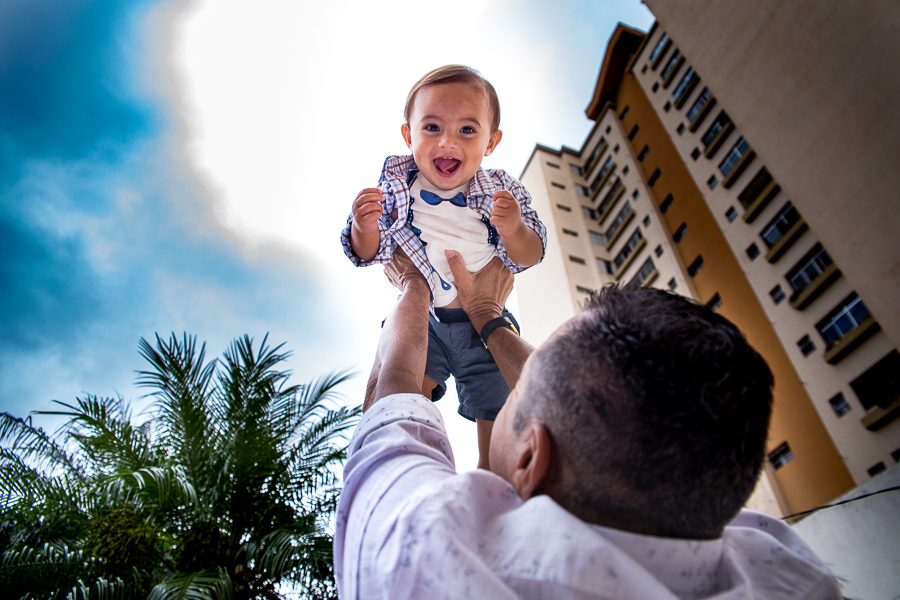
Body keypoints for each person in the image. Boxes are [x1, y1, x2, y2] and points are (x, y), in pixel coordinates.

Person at [333, 249, 842, 599]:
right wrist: (486, 315)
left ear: (532, 458)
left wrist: (412, 289)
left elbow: (391, 402)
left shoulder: (435, 557)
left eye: (520, 391)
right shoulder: (782, 570)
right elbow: (589, 392)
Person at [340, 65, 546, 470]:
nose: (447, 142)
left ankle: (493, 480)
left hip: (484, 323)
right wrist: (364, 227)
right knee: (402, 388)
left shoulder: (499, 190)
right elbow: (371, 251)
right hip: (426, 322)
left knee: (499, 409)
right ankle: (407, 462)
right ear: (408, 135)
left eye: (467, 130)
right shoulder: (398, 184)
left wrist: (514, 227)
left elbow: (531, 254)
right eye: (432, 127)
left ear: (491, 142)